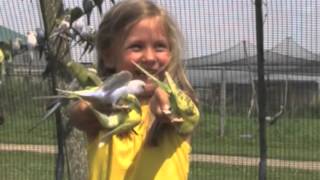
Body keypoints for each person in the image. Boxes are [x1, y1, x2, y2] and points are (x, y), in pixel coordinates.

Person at [68, 0, 200, 179]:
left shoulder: (180, 107)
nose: (149, 57)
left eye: (160, 46)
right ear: (108, 55)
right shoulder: (105, 112)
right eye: (136, 47)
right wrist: (105, 103)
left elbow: (184, 109)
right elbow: (78, 115)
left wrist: (164, 102)